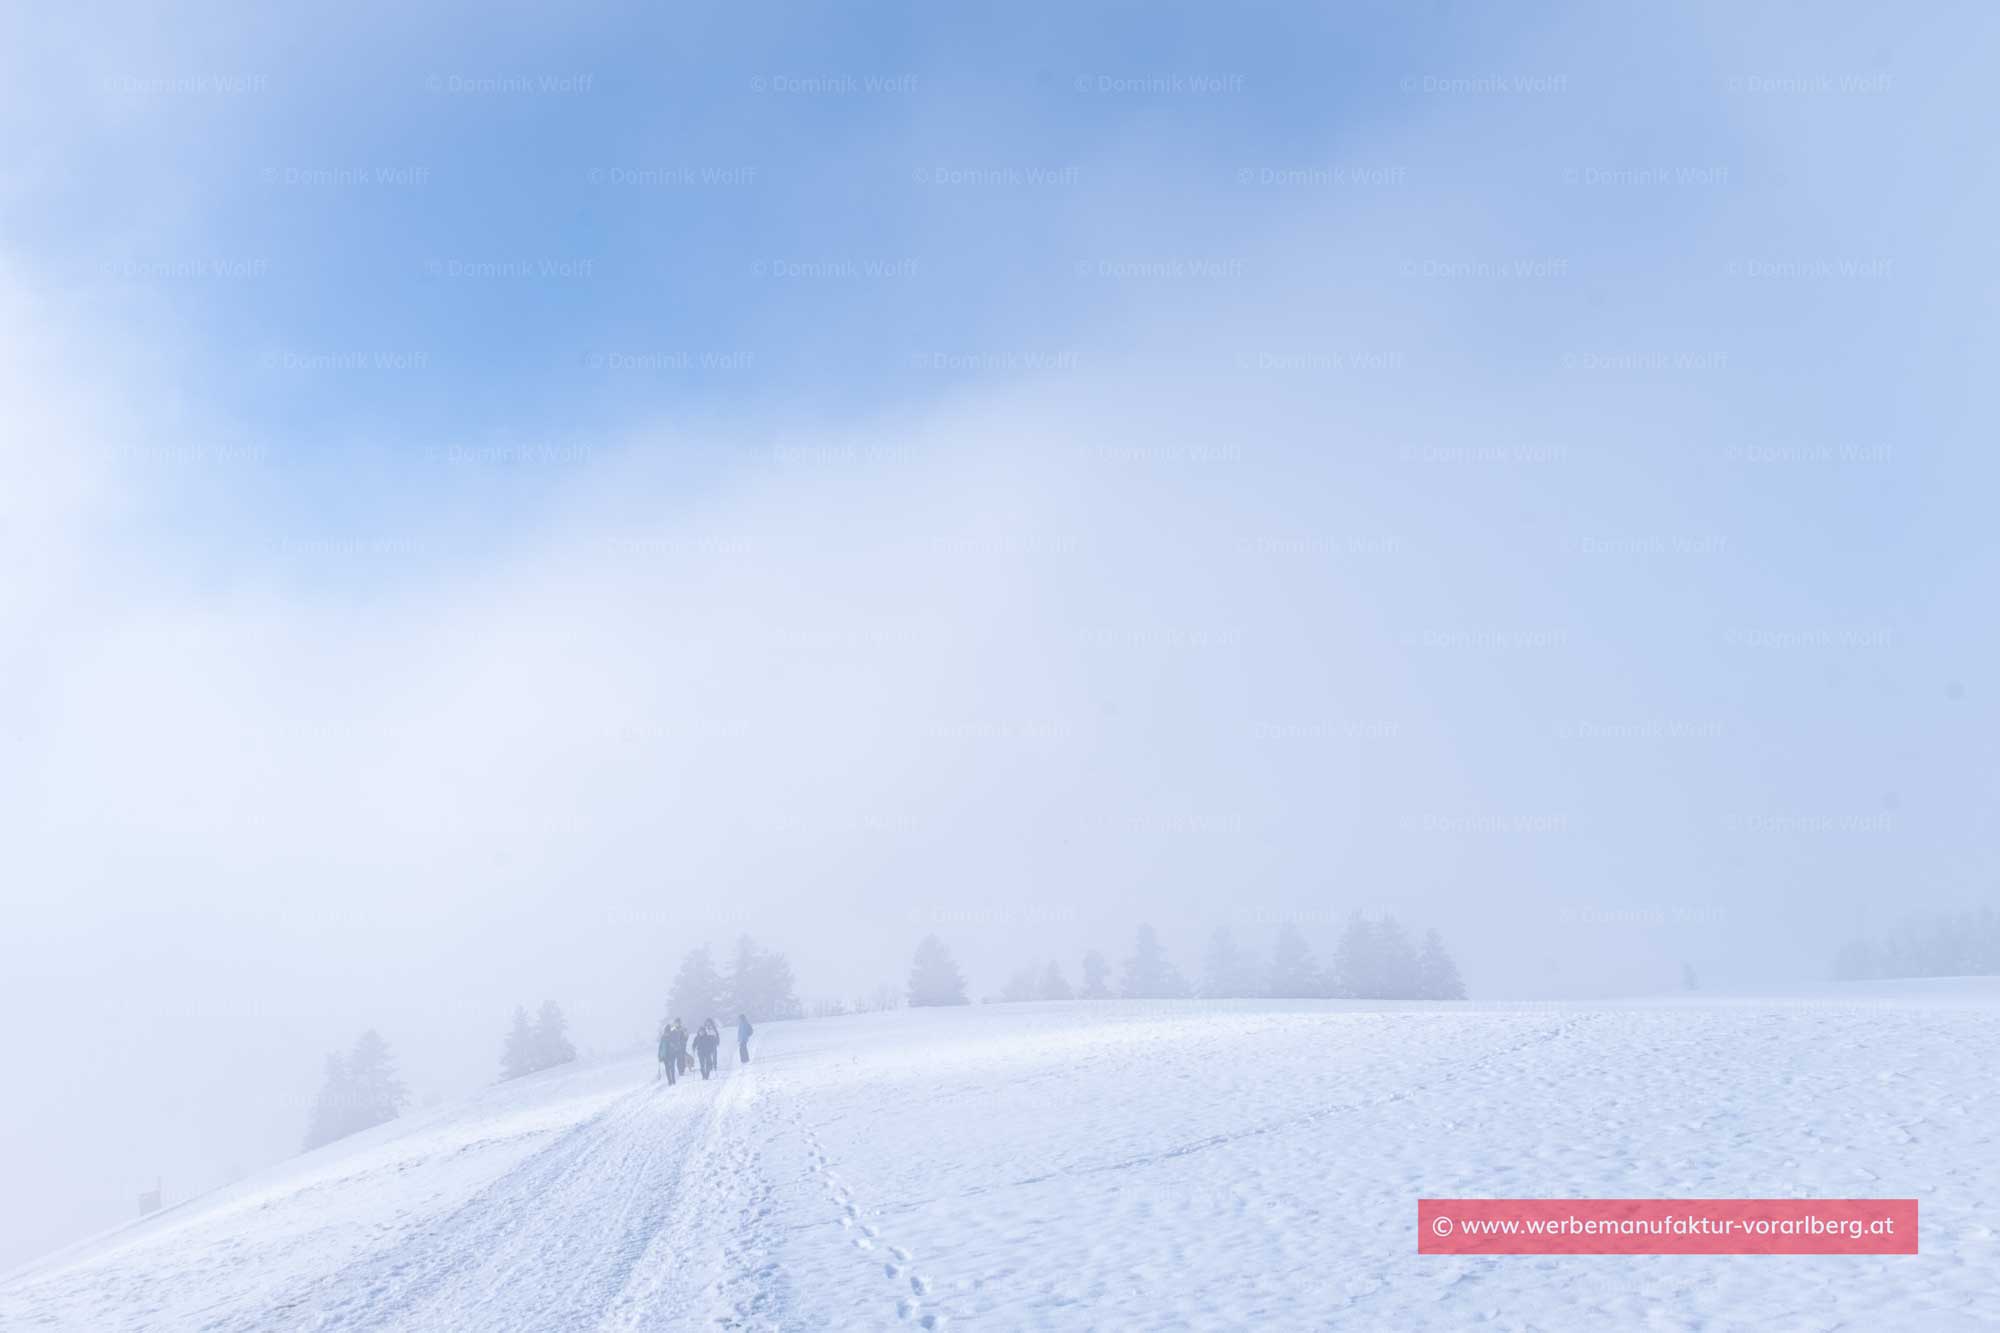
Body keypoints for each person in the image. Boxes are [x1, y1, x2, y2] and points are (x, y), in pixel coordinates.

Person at [664, 1019, 689, 1085]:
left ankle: (682, 1070)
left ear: (680, 1023)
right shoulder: (673, 1030)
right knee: (678, 1060)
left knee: (681, 1059)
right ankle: (679, 1071)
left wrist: (685, 1036)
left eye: (678, 1023)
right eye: (676, 1023)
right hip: (675, 1049)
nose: (677, 1024)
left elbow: (685, 1038)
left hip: (681, 1047)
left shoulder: (682, 1029)